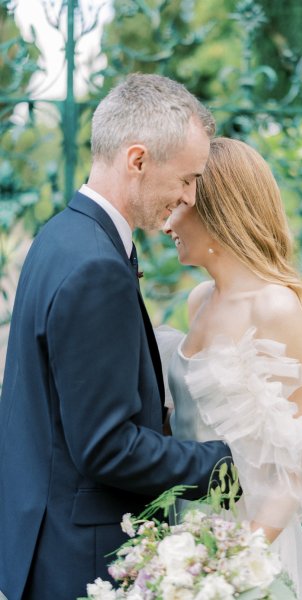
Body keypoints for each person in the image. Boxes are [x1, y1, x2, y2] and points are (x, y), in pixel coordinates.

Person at [0, 75, 234, 600]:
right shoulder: (95, 267)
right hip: (79, 558)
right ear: (137, 160)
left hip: (41, 535)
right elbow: (107, 446)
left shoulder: (59, 236)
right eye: (187, 178)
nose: (188, 197)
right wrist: (220, 462)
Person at [160, 137, 302, 600]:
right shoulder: (200, 300)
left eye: (180, 205)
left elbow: (295, 469)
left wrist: (230, 569)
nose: (166, 222)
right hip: (184, 533)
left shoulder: (275, 307)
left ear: (216, 210)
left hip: (249, 548)